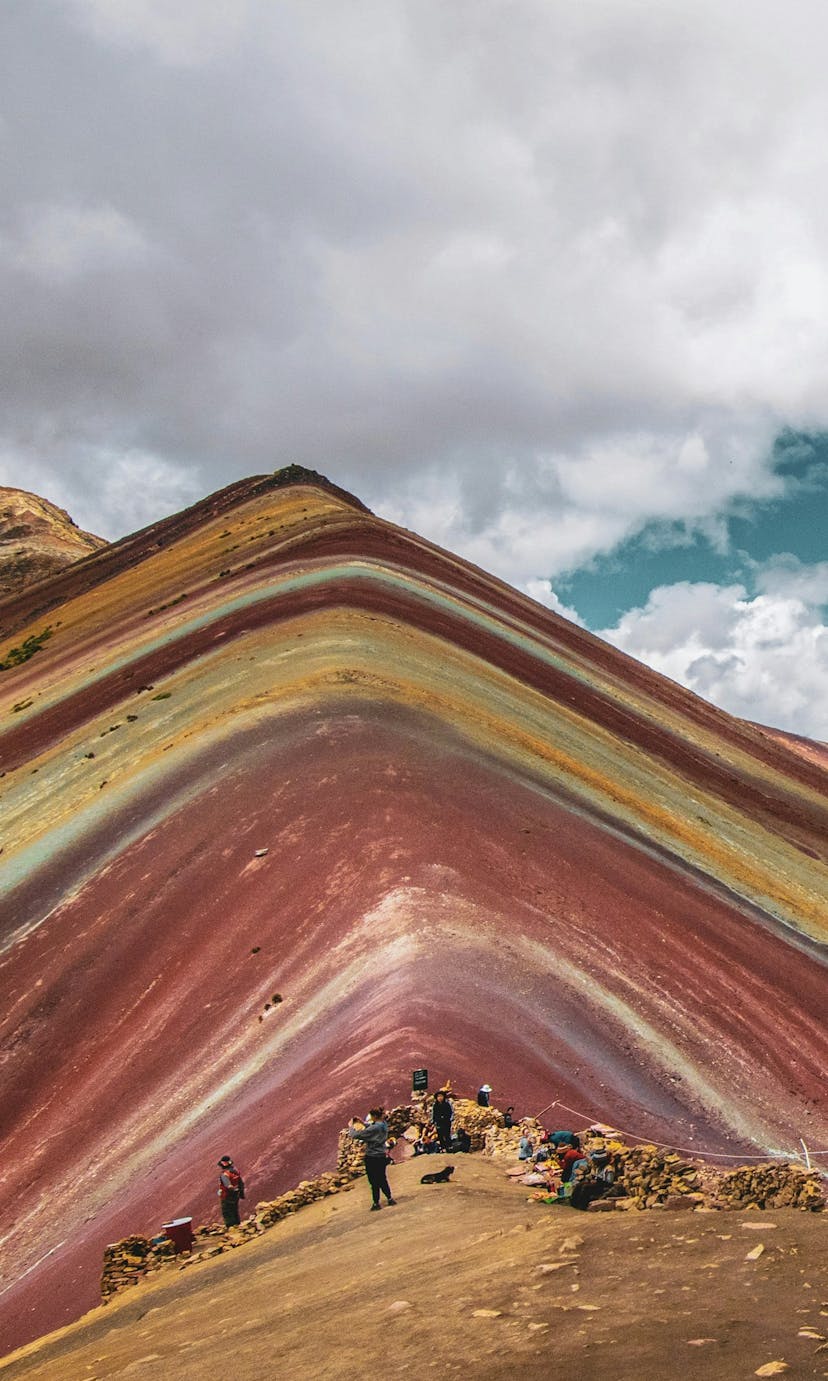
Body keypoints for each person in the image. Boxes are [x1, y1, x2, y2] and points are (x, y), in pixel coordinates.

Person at [348, 1108, 396, 1211]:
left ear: (374, 1116)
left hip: (372, 1156)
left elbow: (356, 1135)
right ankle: (389, 1198)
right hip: (381, 1155)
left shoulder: (374, 1128)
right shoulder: (383, 1124)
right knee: (382, 1178)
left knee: (373, 1181)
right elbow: (371, 1126)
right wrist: (362, 1123)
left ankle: (376, 1203)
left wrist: (351, 1126)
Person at [217, 1155, 245, 1228]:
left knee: (227, 1212)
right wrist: (240, 1192)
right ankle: (238, 1225)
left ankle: (231, 1228)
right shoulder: (235, 1171)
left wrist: (232, 1190)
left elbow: (228, 1185)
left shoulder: (225, 1174)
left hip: (227, 1196)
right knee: (235, 1211)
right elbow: (241, 1182)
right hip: (235, 1195)